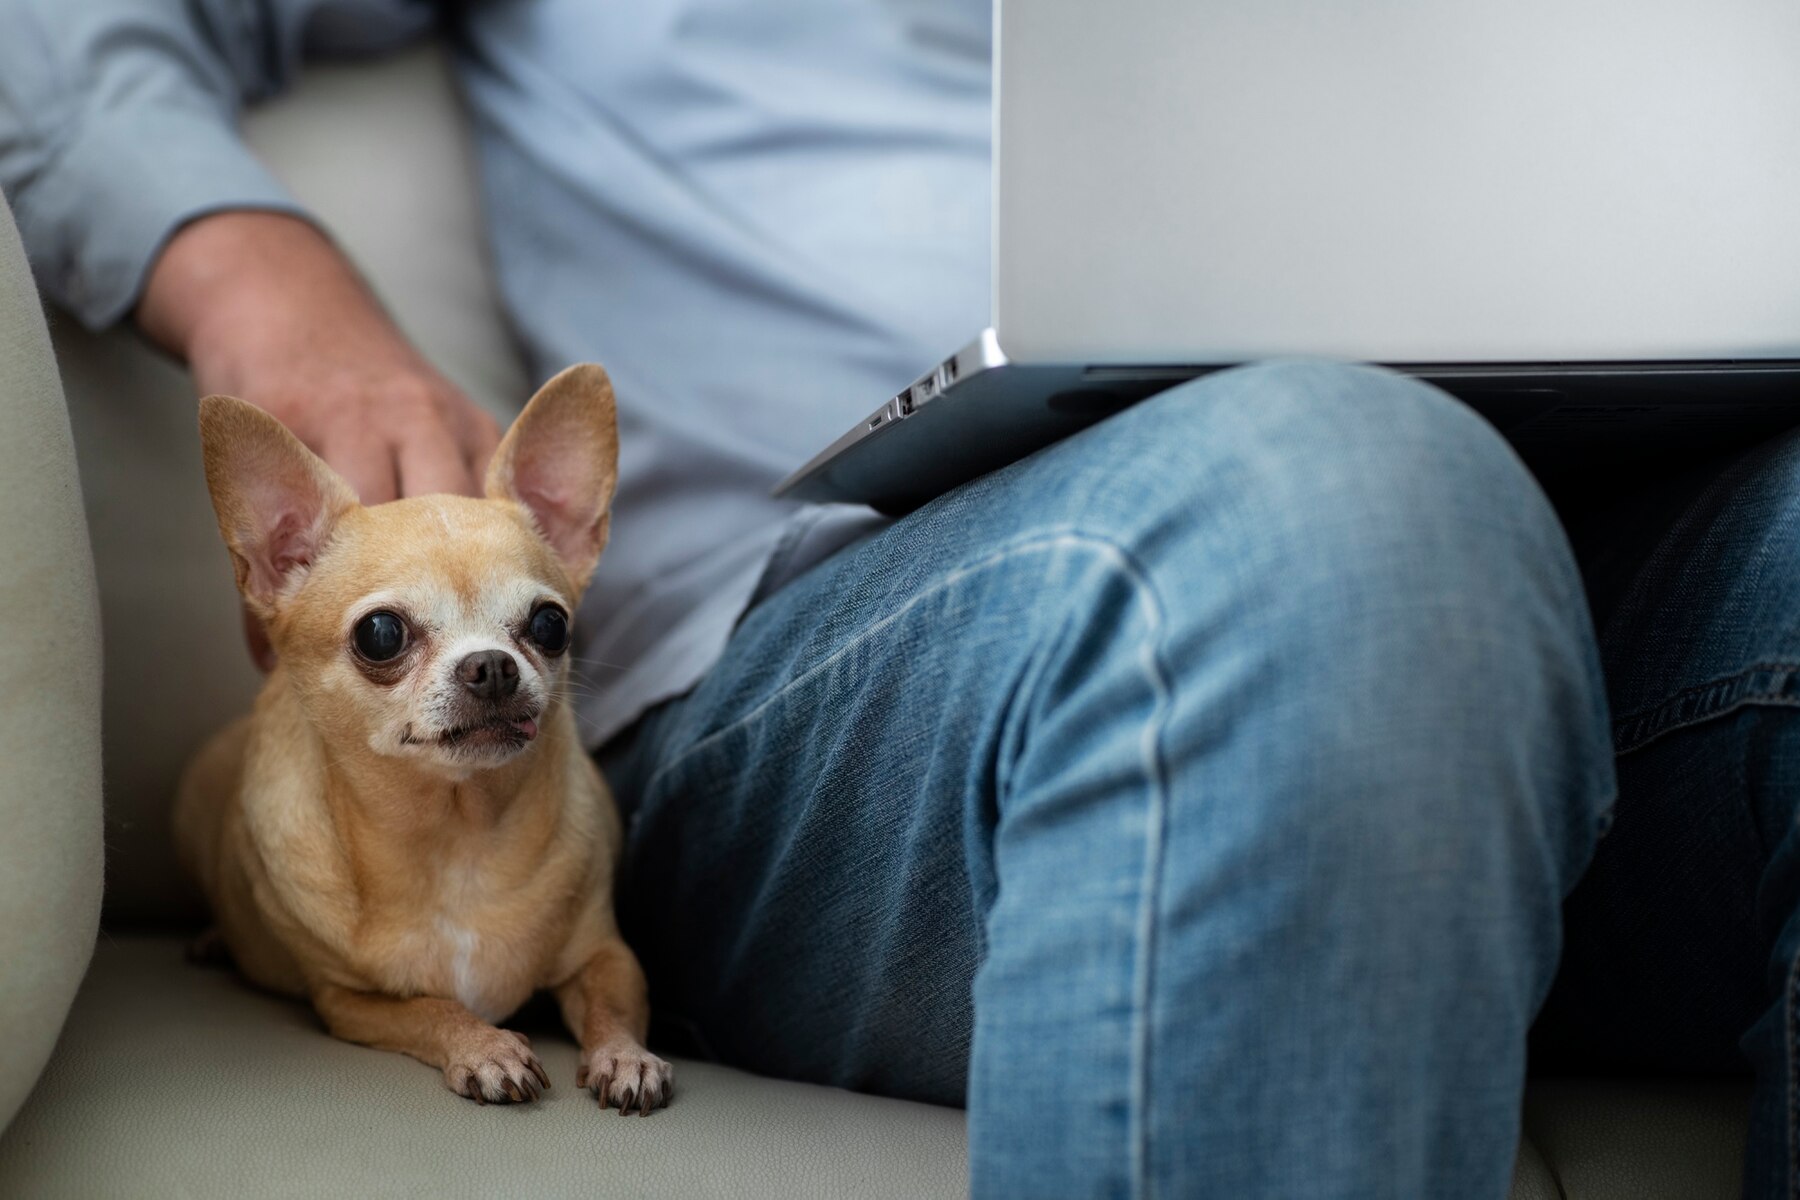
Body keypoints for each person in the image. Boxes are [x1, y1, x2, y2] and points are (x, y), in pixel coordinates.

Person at [0, 2, 1793, 1195]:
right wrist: (273, 293)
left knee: (1392, 488)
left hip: (1629, 546)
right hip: (860, 658)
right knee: (1340, 490)